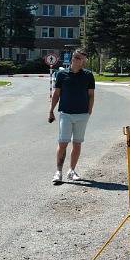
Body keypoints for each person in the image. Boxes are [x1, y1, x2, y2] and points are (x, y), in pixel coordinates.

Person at [49, 49, 95, 184]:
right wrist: (51, 110)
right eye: (74, 56)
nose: (75, 59)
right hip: (65, 113)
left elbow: (91, 95)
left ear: (83, 62)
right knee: (63, 142)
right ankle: (58, 172)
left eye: (79, 58)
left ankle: (72, 170)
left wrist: (89, 111)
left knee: (77, 143)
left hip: (82, 114)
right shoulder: (62, 74)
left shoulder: (88, 75)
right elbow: (56, 94)